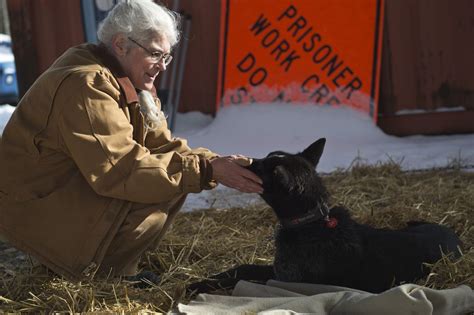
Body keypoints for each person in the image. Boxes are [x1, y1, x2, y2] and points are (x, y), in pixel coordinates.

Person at [0, 0, 262, 286]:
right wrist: (205, 171)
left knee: (176, 173)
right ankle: (100, 277)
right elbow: (120, 170)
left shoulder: (124, 79)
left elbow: (163, 148)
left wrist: (216, 164)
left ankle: (114, 269)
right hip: (32, 217)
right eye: (155, 54)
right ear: (121, 43)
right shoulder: (87, 84)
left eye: (167, 57)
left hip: (57, 200)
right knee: (162, 180)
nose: (162, 66)